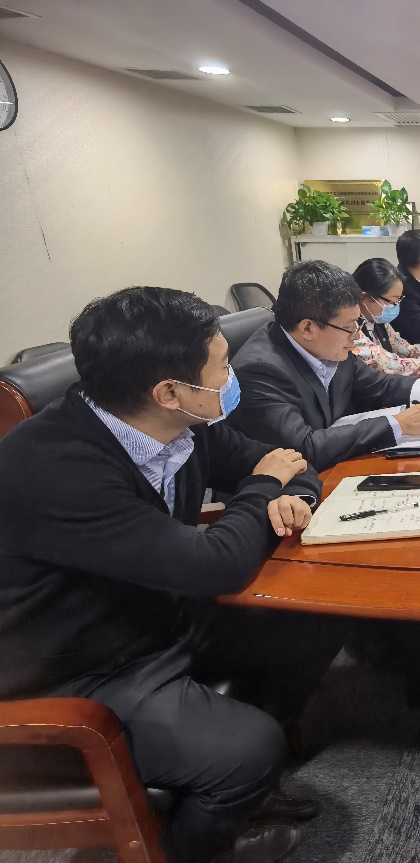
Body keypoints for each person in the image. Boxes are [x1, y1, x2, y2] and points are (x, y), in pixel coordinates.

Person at [0, 287, 349, 863]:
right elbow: (218, 562)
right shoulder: (53, 467)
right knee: (249, 750)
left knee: (314, 618)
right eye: (223, 366)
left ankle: (238, 792)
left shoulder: (180, 421)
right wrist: (265, 490)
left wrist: (291, 495)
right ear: (168, 391)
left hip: (151, 610)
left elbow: (291, 464)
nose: (232, 377)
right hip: (72, 668)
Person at [230, 260, 420, 472]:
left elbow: (383, 386)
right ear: (307, 328)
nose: (356, 336)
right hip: (284, 491)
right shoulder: (260, 372)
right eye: (349, 328)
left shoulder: (328, 344)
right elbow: (302, 448)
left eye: (358, 324)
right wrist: (396, 424)